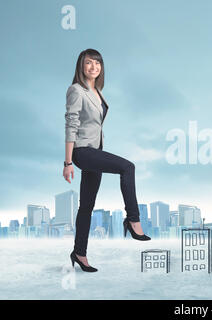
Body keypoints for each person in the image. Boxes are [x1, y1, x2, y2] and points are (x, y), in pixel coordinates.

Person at [63, 48, 150, 272]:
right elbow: (71, 125)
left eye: (98, 63)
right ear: (81, 66)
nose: (94, 67)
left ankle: (79, 253)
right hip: (83, 152)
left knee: (86, 207)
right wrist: (68, 162)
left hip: (96, 151)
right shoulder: (76, 90)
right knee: (127, 167)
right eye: (89, 63)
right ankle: (133, 220)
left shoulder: (97, 91)